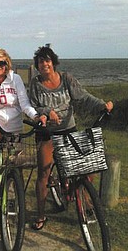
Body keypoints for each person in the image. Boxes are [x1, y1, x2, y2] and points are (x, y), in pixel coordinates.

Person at [29, 45, 113, 230]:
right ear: (37, 65)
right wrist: (47, 111)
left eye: (47, 60)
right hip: (47, 133)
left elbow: (83, 97)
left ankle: (84, 200)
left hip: (68, 128)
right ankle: (41, 214)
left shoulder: (66, 79)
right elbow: (33, 106)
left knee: (86, 167)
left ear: (54, 62)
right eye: (41, 61)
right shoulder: (35, 84)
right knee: (44, 172)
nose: (44, 64)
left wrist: (101, 105)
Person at [0, 47, 46, 188]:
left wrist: (35, 116)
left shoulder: (15, 79)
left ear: (7, 64)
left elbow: (24, 103)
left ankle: (17, 190)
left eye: (2, 63)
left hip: (14, 123)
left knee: (16, 162)